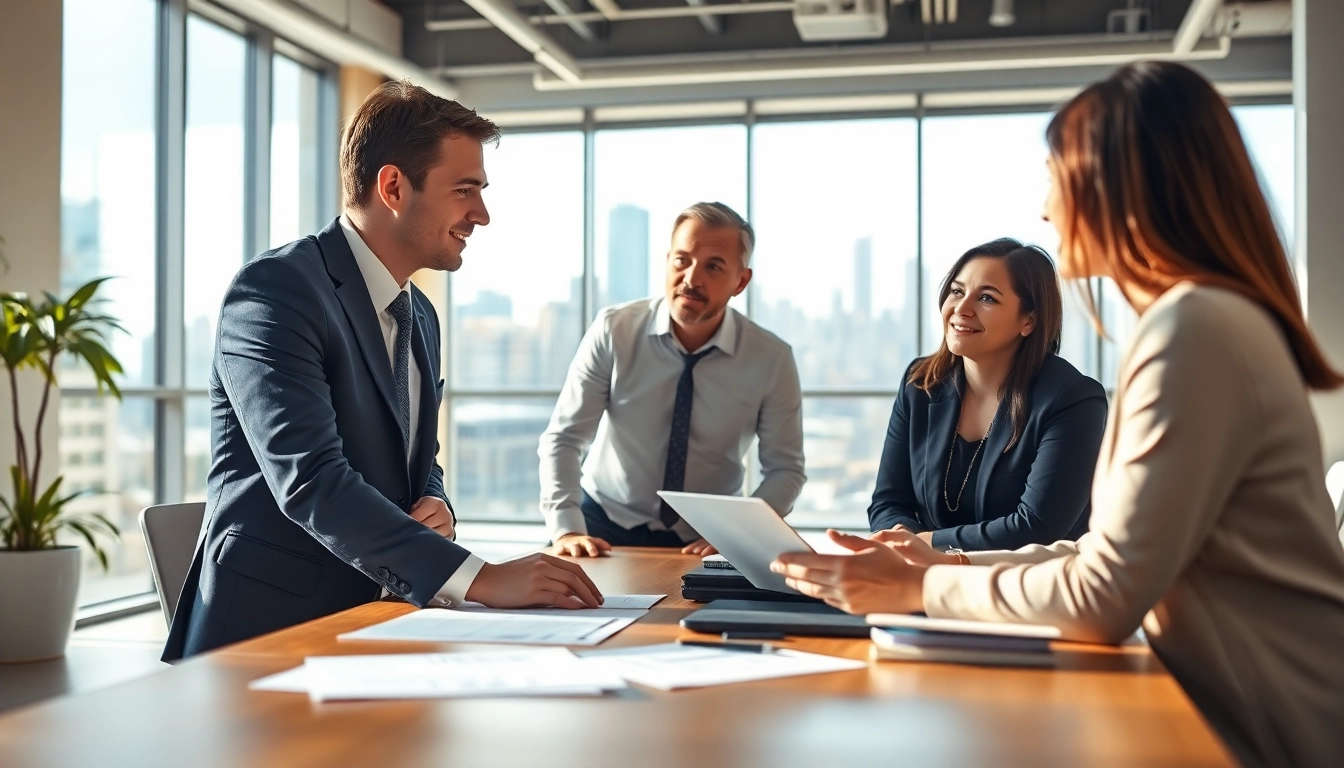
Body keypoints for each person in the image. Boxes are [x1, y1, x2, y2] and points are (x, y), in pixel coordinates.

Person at [772, 61, 1344, 767]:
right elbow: (1103, 551)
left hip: (1271, 724)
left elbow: (1105, 595)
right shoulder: (1199, 320)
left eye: (1054, 175)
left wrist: (922, 584)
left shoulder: (1193, 328)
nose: (1046, 207)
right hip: (1233, 701)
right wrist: (928, 555)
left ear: (1120, 188)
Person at [164, 82, 601, 662]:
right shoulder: (275, 292)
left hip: (383, 622)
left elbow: (419, 459)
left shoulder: (420, 314)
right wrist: (481, 578)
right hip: (265, 641)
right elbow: (311, 481)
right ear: (394, 186)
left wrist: (435, 502)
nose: (482, 215)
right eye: (465, 190)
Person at [539, 202, 805, 557]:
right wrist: (566, 530)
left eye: (713, 266)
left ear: (740, 281)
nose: (692, 279)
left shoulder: (771, 359)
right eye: (682, 260)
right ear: (667, 261)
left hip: (711, 537)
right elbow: (564, 439)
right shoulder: (614, 330)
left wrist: (739, 534)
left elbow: (785, 469)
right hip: (600, 524)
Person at [868, 237, 1106, 551]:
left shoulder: (1073, 399)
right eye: (956, 291)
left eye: (987, 299)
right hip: (926, 582)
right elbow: (888, 500)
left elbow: (1037, 527)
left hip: (1029, 588)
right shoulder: (922, 383)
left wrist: (926, 543)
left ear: (1028, 320)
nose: (961, 309)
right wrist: (899, 537)